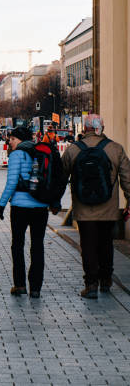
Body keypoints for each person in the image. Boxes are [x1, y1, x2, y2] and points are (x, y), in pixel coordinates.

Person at [61, 114, 130, 298]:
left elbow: (60, 178)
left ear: (85, 128)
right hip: (108, 209)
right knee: (106, 243)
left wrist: (54, 202)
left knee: (88, 245)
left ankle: (91, 284)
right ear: (101, 128)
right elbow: (127, 180)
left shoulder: (73, 150)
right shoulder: (116, 149)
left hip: (83, 209)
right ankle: (106, 281)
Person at [0, 126, 58, 298]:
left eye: (12, 139)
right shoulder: (41, 152)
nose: (10, 142)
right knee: (37, 246)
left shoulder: (17, 155)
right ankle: (36, 288)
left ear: (19, 139)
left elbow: (11, 183)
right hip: (40, 206)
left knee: (18, 245)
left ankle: (20, 285)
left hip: (20, 207)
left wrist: (1, 205)